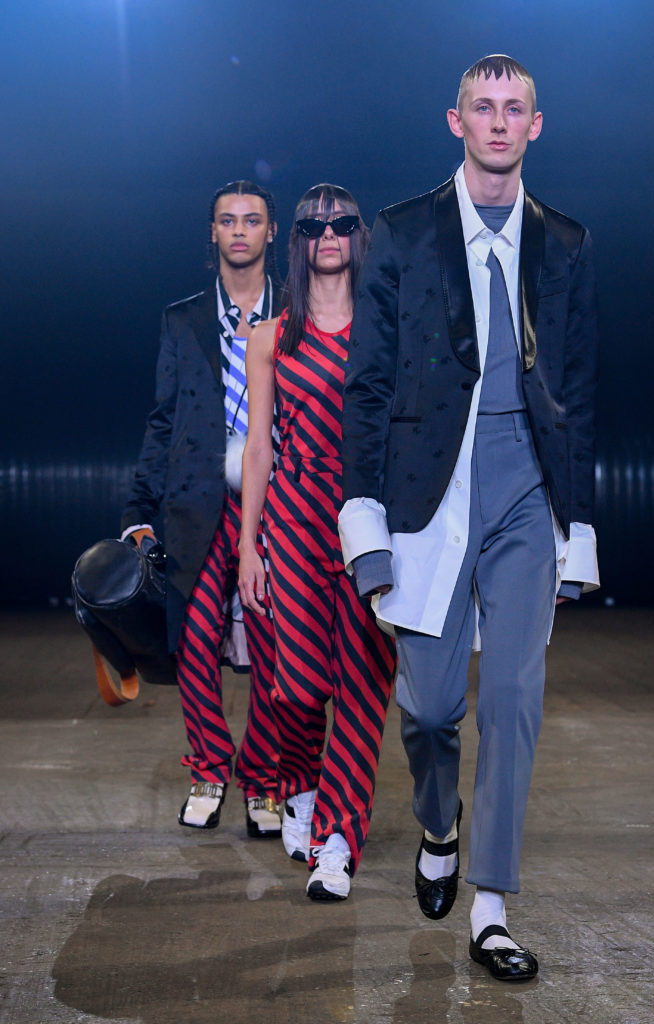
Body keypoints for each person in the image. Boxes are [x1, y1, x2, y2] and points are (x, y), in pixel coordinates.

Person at [339, 55, 599, 978]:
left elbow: (575, 391)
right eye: (481, 107)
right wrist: (365, 530)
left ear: (535, 125)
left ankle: (491, 905)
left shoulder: (564, 242)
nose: (496, 121)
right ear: (455, 122)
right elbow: (367, 388)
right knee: (429, 708)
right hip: (428, 492)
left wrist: (576, 532)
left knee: (515, 699)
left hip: (527, 487)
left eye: (512, 108)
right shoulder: (403, 232)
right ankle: (437, 825)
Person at [239, 184, 397, 901]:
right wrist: (248, 546)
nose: (327, 235)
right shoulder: (270, 337)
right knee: (297, 687)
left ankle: (336, 842)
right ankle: (300, 789)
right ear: (296, 241)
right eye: (312, 225)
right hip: (295, 517)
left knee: (362, 688)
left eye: (341, 223)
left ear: (358, 236)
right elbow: (258, 449)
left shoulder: (383, 328)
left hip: (368, 518)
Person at [121, 180, 285, 838]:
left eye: (252, 220)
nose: (239, 230)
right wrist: (138, 508)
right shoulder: (183, 319)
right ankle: (209, 769)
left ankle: (265, 781)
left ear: (271, 232)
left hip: (277, 501)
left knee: (272, 641)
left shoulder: (297, 312)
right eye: (227, 220)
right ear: (212, 233)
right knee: (193, 639)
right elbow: (164, 419)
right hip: (196, 499)